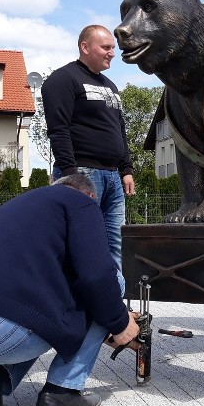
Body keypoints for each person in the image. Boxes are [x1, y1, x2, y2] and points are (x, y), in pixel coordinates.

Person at [0, 174, 139, 406]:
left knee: (33, 306)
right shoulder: (81, 203)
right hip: (2, 333)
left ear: (52, 187)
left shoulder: (19, 204)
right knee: (111, 284)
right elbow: (98, 277)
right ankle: (62, 392)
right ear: (90, 195)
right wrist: (119, 323)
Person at [43, 24, 135, 295]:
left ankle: (113, 310)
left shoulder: (111, 86)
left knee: (115, 245)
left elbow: (119, 130)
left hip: (112, 178)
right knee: (80, 245)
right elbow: (58, 130)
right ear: (85, 47)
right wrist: (72, 176)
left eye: (112, 49)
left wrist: (126, 169)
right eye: (106, 47)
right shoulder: (62, 80)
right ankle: (72, 307)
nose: (112, 54)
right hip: (82, 174)